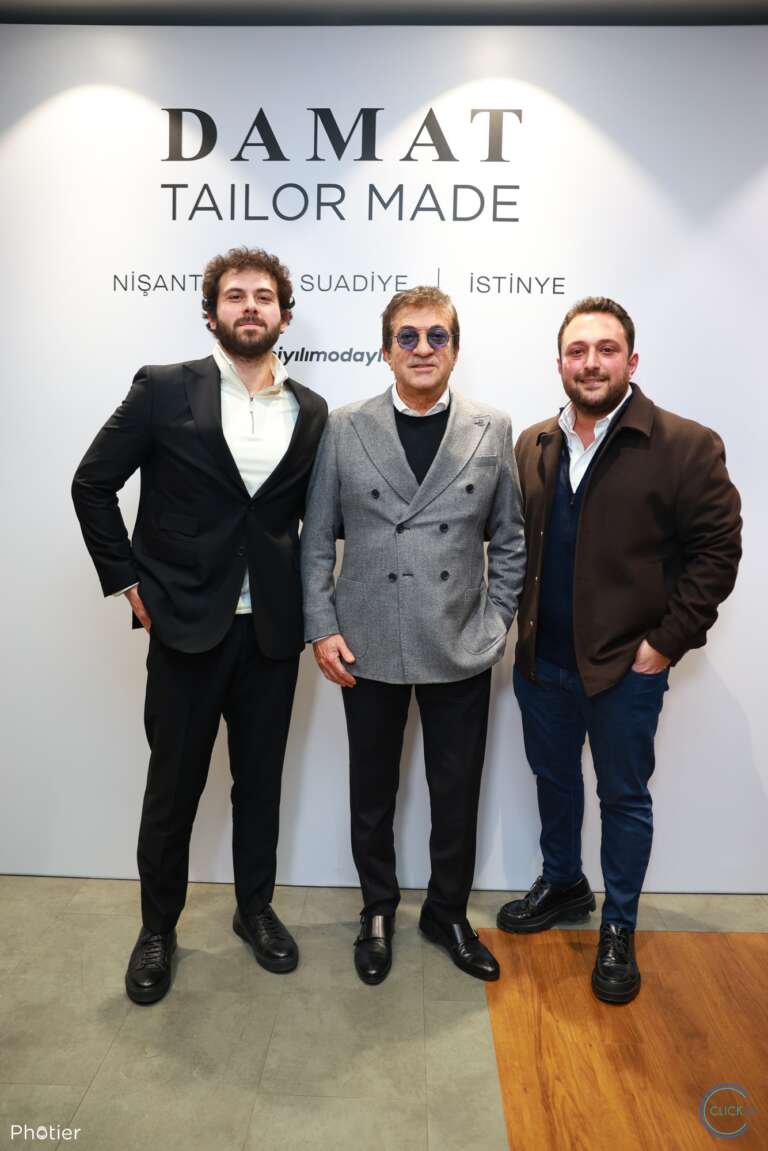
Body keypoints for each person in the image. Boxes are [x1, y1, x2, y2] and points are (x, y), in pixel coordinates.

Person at [72, 246, 327, 1003]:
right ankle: (157, 929)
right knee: (173, 787)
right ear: (212, 313)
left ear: (284, 315)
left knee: (260, 784)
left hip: (272, 632)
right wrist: (126, 580)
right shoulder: (162, 388)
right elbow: (92, 483)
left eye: (264, 296)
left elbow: (305, 521)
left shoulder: (310, 410)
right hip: (185, 626)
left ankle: (256, 910)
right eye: (235, 295)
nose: (250, 307)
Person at [497, 296, 741, 1003]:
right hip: (541, 665)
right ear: (560, 363)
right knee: (553, 782)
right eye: (578, 351)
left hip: (625, 672)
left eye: (606, 349)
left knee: (624, 799)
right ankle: (563, 883)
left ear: (631, 361)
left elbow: (718, 553)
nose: (591, 362)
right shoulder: (535, 444)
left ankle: (618, 925)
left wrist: (664, 644)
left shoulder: (684, 445)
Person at [301, 286, 526, 985]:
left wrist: (496, 620)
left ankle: (447, 912)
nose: (422, 348)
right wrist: (322, 628)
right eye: (408, 336)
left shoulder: (492, 426)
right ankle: (377, 909)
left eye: (436, 336)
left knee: (456, 791)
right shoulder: (345, 426)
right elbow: (316, 539)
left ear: (455, 349)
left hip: (459, 640)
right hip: (366, 640)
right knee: (372, 790)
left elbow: (510, 538)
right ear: (385, 348)